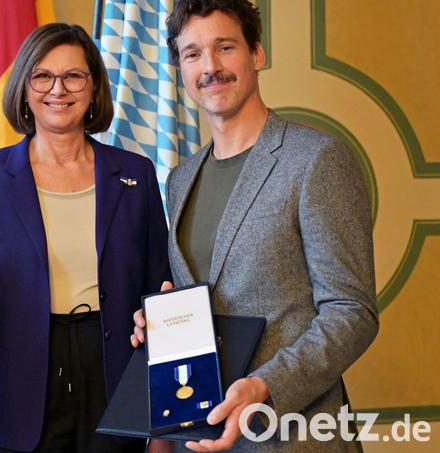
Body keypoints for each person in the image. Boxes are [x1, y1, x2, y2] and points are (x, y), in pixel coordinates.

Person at [131, 1, 379, 451]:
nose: (210, 67)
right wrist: (163, 325)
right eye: (192, 54)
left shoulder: (316, 160)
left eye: (224, 47)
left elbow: (351, 312)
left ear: (257, 54)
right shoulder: (180, 178)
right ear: (181, 70)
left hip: (295, 437)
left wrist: (264, 387)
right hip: (201, 436)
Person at [0, 23, 170, 453]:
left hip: (114, 382)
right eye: (43, 76)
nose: (58, 89)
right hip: (18, 393)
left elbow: (157, 301)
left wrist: (162, 434)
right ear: (25, 89)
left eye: (73, 76)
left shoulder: (136, 175)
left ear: (93, 87)